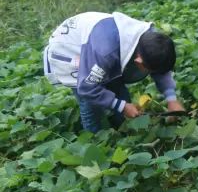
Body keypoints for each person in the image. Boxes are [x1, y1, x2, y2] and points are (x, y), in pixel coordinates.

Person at [43, 12, 185, 133]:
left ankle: (123, 130)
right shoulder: (105, 52)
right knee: (90, 106)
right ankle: (96, 140)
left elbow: (160, 68)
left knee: (118, 89)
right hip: (70, 51)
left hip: (98, 43)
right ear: (139, 62)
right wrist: (121, 106)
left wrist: (171, 98)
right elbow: (87, 88)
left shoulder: (153, 39)